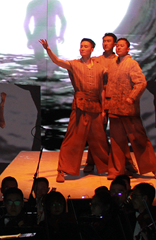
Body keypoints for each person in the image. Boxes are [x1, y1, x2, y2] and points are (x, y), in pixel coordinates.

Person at [39, 38, 110, 183]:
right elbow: (58, 61)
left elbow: (102, 90)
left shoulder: (100, 68)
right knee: (72, 139)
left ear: (92, 49)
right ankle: (62, 170)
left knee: (100, 139)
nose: (82, 48)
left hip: (95, 107)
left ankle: (107, 167)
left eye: (85, 46)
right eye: (81, 46)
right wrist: (48, 49)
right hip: (80, 106)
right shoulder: (74, 64)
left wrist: (104, 110)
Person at [104, 38, 156, 180]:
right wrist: (106, 105)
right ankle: (116, 170)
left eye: (122, 46)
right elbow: (108, 85)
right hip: (114, 109)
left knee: (139, 139)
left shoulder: (131, 63)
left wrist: (132, 97)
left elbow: (141, 82)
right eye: (117, 45)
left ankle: (154, 168)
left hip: (128, 109)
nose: (118, 48)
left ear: (128, 49)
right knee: (116, 142)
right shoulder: (112, 64)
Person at [85, 33, 135, 175]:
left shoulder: (119, 60)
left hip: (115, 99)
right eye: (104, 41)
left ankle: (127, 162)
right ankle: (91, 161)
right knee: (96, 132)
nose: (105, 43)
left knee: (119, 134)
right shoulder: (96, 60)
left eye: (108, 41)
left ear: (114, 44)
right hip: (99, 99)